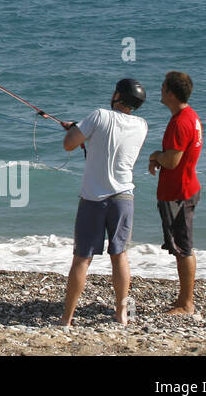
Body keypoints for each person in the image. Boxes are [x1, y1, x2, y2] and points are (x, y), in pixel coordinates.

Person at [59, 78, 149, 326]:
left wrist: (76, 130)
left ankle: (67, 319)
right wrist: (82, 131)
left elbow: (69, 144)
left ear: (118, 97)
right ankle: (121, 315)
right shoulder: (142, 125)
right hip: (124, 198)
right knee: (119, 255)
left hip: (93, 199)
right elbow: (112, 143)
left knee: (82, 258)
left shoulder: (99, 116)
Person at [148, 70, 202, 315]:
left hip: (178, 193)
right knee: (181, 245)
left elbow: (172, 161)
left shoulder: (180, 121)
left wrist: (155, 156)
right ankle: (183, 298)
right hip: (186, 188)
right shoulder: (190, 117)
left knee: (182, 247)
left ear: (170, 92)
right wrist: (163, 156)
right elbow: (177, 157)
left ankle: (186, 303)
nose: (160, 90)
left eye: (162, 87)